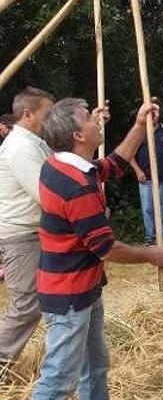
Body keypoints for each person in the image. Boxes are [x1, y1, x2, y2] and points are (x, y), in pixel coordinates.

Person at [31, 98, 163, 399]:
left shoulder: (63, 165)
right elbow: (106, 248)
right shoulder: (75, 185)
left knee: (94, 366)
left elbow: (114, 164)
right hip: (69, 293)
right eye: (89, 118)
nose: (97, 120)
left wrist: (138, 125)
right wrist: (150, 255)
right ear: (78, 136)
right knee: (59, 380)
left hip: (83, 288)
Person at [0, 87, 53, 372]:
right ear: (28, 113)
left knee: (45, 300)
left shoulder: (35, 142)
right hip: (20, 236)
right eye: (47, 114)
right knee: (27, 305)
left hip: (34, 233)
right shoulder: (20, 147)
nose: (50, 119)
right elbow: (46, 194)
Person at [129, 107, 163, 244]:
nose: (153, 116)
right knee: (147, 209)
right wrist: (138, 171)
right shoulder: (139, 133)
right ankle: (150, 238)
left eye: (155, 114)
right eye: (150, 114)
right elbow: (130, 155)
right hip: (146, 180)